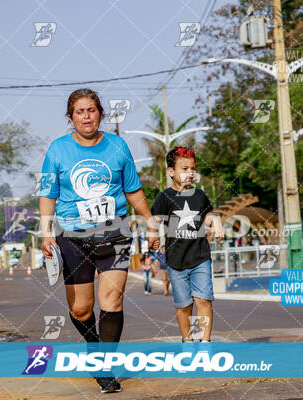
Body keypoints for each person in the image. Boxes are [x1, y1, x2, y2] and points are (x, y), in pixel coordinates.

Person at [39, 88, 160, 393]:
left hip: (114, 233)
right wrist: (45, 232)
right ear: (71, 118)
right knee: (81, 309)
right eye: (79, 111)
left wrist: (150, 220)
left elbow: (132, 189)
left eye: (91, 110)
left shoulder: (117, 146)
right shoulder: (57, 150)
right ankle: (93, 345)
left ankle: (104, 367)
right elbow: (47, 194)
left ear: (100, 114)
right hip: (72, 238)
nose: (86, 116)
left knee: (112, 301)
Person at [150, 146, 224, 342]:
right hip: (175, 261)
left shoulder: (199, 196)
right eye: (184, 169)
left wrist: (215, 221)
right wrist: (152, 235)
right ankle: (188, 341)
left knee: (204, 300)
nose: (190, 173)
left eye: (193, 168)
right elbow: (155, 220)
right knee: (184, 306)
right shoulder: (164, 197)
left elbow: (208, 215)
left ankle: (206, 343)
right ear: (171, 171)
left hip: (200, 257)